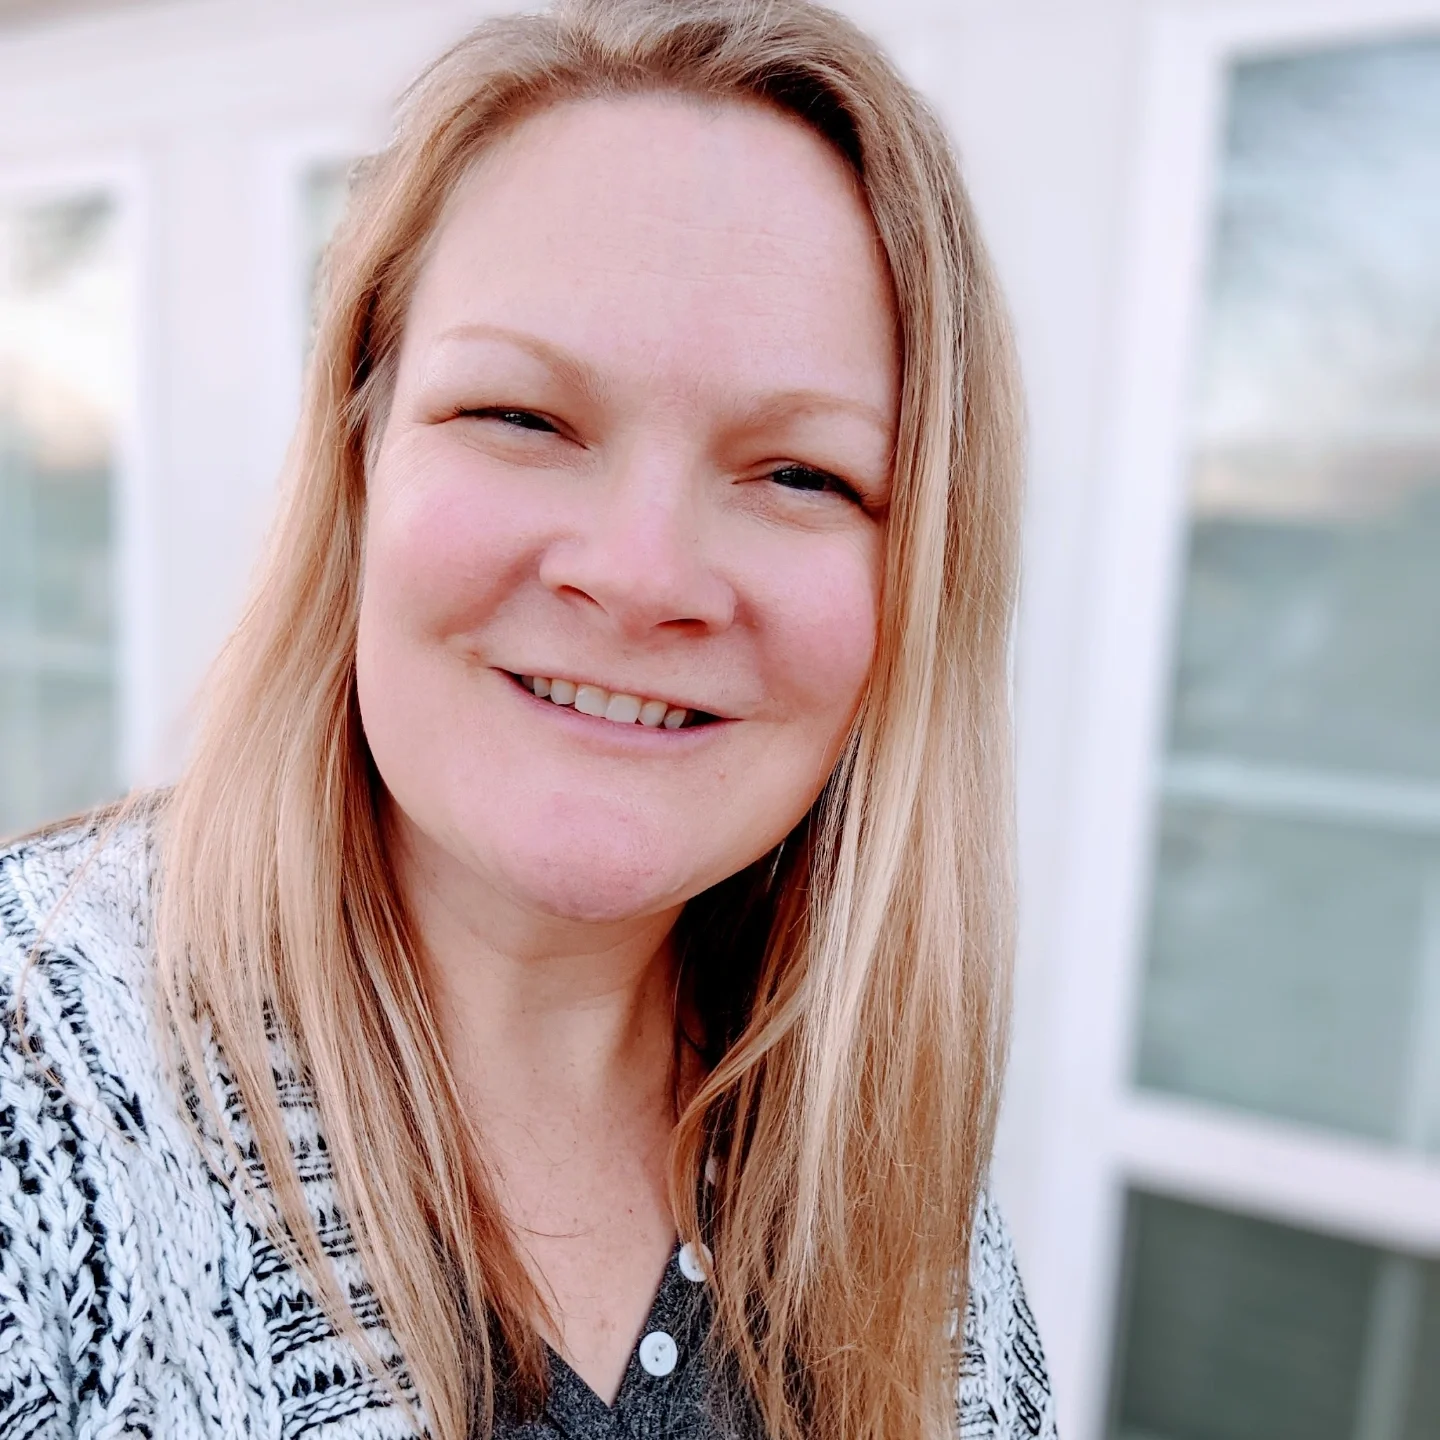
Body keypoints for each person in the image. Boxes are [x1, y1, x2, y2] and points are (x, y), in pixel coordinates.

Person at [0, 0, 1056, 1436]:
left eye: (801, 474)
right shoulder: (38, 1100)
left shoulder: (889, 1187)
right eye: (523, 417)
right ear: (362, 458)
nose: (640, 575)